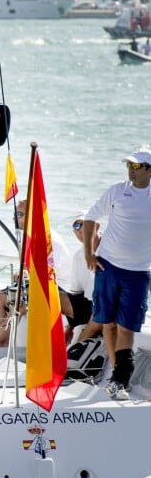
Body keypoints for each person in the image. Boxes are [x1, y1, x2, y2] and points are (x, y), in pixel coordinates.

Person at [83, 148, 151, 400]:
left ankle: (120, 379)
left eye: (136, 166)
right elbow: (90, 218)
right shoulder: (116, 191)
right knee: (108, 324)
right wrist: (89, 253)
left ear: (149, 170)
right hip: (108, 266)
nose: (130, 171)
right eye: (128, 166)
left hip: (138, 272)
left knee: (126, 327)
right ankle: (117, 377)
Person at [0, 199, 73, 348]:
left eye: (19, 214)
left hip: (55, 291)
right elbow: (28, 265)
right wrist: (23, 273)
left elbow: (49, 274)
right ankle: (4, 345)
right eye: (15, 214)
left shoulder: (50, 240)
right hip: (32, 285)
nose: (14, 218)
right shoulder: (28, 236)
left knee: (17, 306)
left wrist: (26, 276)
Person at [66, 211, 104, 345]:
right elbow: (77, 294)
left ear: (97, 226)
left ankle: (73, 351)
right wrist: (70, 327)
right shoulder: (77, 256)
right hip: (91, 305)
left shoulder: (112, 249)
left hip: (109, 304)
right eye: (75, 227)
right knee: (49, 296)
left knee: (99, 316)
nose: (79, 230)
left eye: (82, 224)